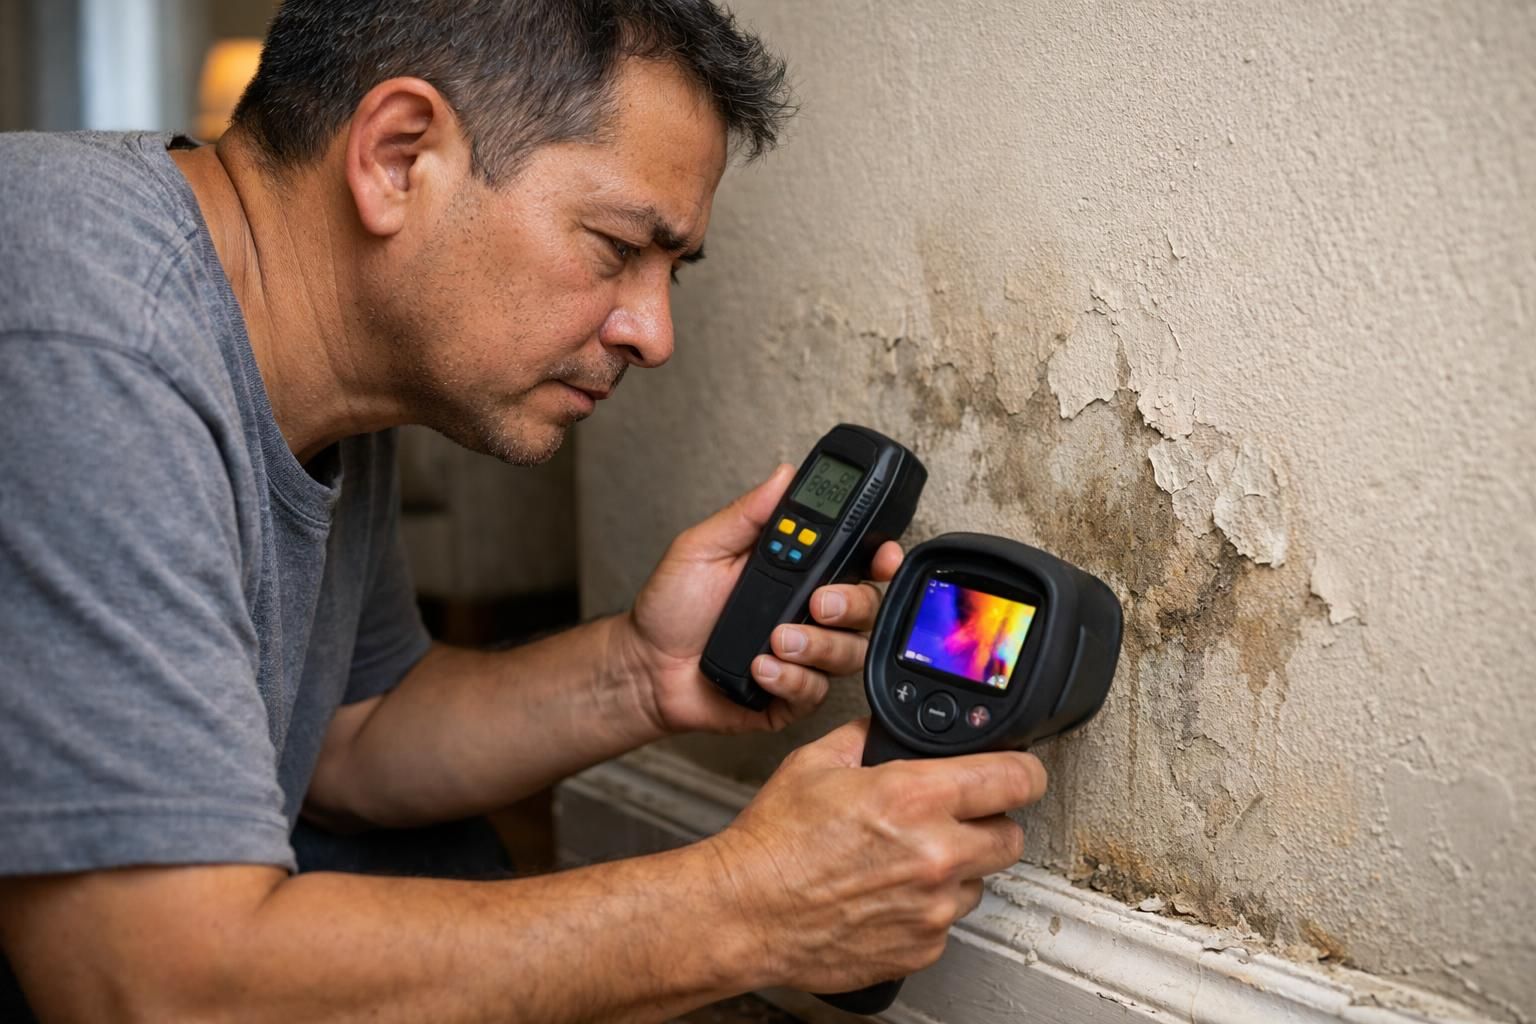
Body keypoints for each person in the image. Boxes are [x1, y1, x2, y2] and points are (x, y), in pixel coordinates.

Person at [0, 1, 1049, 1019]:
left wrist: (639, 671)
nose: (653, 332)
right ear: (399, 156)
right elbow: (153, 985)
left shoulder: (317, 368)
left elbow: (344, 740)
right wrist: (751, 905)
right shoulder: (88, 333)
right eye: (614, 248)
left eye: (671, 271)